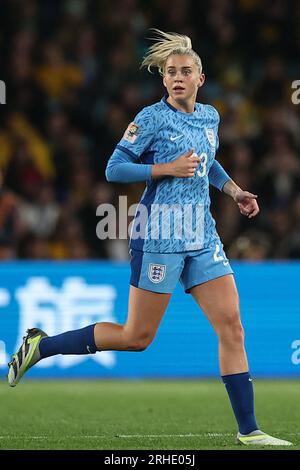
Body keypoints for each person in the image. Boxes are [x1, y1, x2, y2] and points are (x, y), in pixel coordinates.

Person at [8, 30, 292, 447]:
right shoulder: (151, 118)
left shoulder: (211, 116)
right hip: (159, 234)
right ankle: (42, 345)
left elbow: (208, 163)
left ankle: (249, 430)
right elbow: (113, 168)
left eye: (186, 71)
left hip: (202, 234)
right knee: (136, 338)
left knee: (232, 326)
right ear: (163, 80)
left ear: (200, 77)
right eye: (170, 72)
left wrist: (234, 191)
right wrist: (163, 169)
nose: (178, 78)